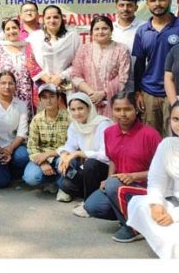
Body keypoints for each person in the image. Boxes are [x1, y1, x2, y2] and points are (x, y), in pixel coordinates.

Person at [78, 92, 162, 242]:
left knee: (112, 185)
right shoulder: (109, 132)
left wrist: (134, 176)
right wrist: (109, 178)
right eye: (117, 110)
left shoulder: (150, 135)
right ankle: (136, 216)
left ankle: (133, 228)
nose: (122, 114)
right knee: (92, 206)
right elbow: (112, 160)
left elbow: (162, 171)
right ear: (112, 110)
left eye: (127, 109)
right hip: (120, 185)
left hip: (145, 187)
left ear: (136, 109)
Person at [127, 101, 179, 258]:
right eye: (176, 119)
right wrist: (156, 205)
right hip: (175, 201)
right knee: (139, 204)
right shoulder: (168, 144)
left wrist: (174, 216)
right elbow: (156, 179)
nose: (178, 125)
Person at [133, 0, 179, 135]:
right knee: (151, 137)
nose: (157, 4)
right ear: (147, 4)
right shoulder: (142, 31)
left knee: (174, 137)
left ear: (170, 1)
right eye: (153, 0)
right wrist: (138, 92)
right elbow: (139, 64)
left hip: (175, 93)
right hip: (149, 93)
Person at [56, 92, 112, 204]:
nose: (77, 113)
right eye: (73, 109)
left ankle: (89, 203)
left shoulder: (102, 124)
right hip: (87, 170)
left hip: (105, 169)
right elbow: (70, 145)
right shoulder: (75, 125)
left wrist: (80, 153)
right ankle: (96, 195)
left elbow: (106, 155)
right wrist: (64, 154)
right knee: (65, 184)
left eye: (80, 108)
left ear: (89, 107)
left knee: (91, 163)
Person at [70, 15, 130, 118]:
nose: (100, 32)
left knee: (110, 131)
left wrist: (103, 93)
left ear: (111, 30)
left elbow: (123, 79)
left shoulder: (121, 49)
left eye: (105, 28)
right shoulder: (84, 49)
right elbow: (75, 75)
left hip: (112, 102)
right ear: (92, 32)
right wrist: (92, 93)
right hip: (88, 102)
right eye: (97, 29)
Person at [0, 16, 42, 117]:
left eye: (14, 28)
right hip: (4, 94)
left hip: (25, 94)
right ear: (4, 32)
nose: (11, 31)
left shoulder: (28, 48)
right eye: (7, 29)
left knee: (23, 123)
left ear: (19, 29)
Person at [23, 84, 70, 194]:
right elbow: (32, 146)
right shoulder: (37, 120)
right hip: (42, 157)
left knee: (66, 164)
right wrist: (42, 162)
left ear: (58, 98)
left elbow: (72, 145)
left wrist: (50, 153)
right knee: (31, 178)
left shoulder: (68, 118)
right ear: (40, 100)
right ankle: (51, 181)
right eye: (44, 97)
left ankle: (61, 185)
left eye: (52, 96)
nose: (48, 100)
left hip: (61, 156)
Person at [0, 71, 30, 188]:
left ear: (15, 85)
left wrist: (9, 149)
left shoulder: (21, 105)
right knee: (1, 182)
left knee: (23, 156)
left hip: (13, 147)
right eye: (3, 83)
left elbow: (22, 133)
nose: (7, 87)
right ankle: (0, 169)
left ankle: (12, 169)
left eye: (10, 83)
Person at [26, 5, 81, 94]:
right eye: (48, 18)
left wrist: (62, 76)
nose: (52, 20)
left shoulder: (73, 37)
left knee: (67, 107)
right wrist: (45, 77)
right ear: (43, 19)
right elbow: (30, 61)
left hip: (66, 83)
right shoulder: (34, 37)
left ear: (61, 19)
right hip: (42, 82)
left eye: (55, 17)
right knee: (45, 107)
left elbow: (79, 62)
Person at [112, 0, 142, 91]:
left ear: (136, 8)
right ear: (116, 7)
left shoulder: (144, 27)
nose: (125, 9)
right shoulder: (109, 28)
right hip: (114, 83)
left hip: (141, 81)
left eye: (129, 5)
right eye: (121, 5)